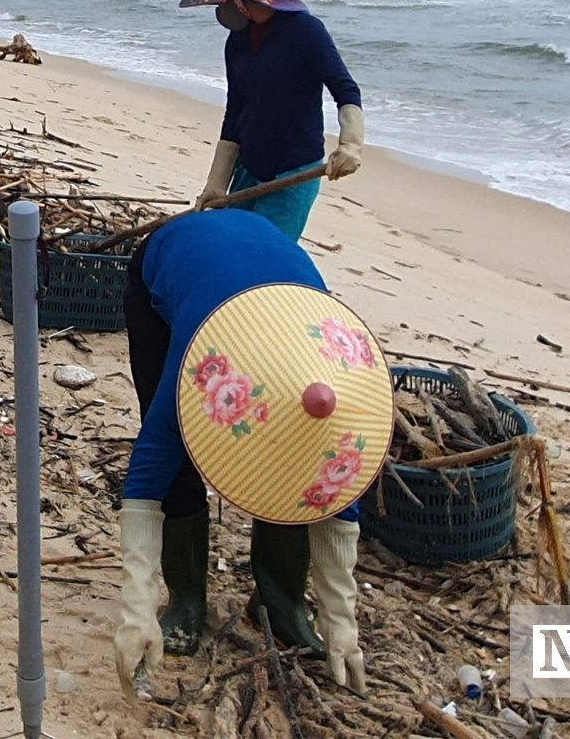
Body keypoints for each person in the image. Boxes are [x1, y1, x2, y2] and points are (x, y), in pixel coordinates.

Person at [115, 209, 386, 700]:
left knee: (297, 464)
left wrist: (340, 618)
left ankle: (279, 605)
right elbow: (148, 472)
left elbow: (336, 494)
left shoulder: (338, 375)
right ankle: (186, 598)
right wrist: (136, 605)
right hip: (171, 262)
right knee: (172, 448)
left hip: (271, 277)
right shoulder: (201, 368)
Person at [180, 0, 366, 240]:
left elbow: (345, 88)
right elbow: (235, 110)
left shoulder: (306, 32)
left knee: (265, 252)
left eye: (226, 2)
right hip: (249, 168)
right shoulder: (237, 43)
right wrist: (217, 182)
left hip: (293, 172)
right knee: (232, 246)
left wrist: (350, 145)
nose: (223, 9)